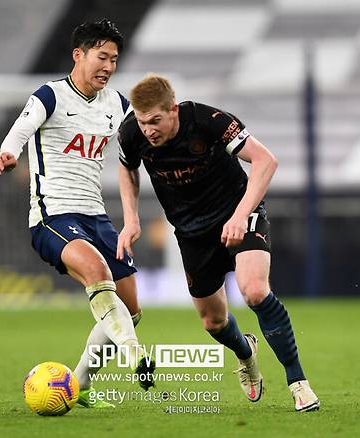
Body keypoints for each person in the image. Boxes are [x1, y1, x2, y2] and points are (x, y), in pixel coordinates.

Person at [117, 74, 319, 412]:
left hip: (238, 214)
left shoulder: (208, 121)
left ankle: (298, 382)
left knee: (254, 291)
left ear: (173, 110)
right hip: (191, 232)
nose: (148, 129)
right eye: (142, 121)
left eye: (155, 121)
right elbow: (128, 168)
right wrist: (131, 219)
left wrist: (241, 215)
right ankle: (246, 353)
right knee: (213, 322)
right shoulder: (131, 133)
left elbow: (266, 160)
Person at [0, 19, 154, 408]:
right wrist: (10, 152)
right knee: (97, 273)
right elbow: (21, 128)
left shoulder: (117, 104)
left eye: (114, 60)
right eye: (102, 57)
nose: (109, 67)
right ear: (78, 55)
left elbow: (145, 140)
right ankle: (136, 356)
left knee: (130, 309)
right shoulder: (50, 95)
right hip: (52, 216)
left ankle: (77, 386)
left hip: (96, 217)